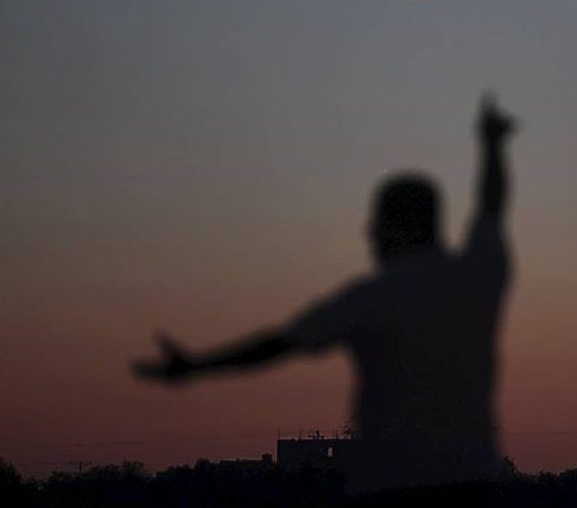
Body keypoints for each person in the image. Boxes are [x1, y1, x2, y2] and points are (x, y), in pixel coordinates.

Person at [134, 96, 516, 494]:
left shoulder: (373, 298)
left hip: (396, 483)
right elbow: (493, 207)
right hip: (475, 482)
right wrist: (492, 146)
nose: (369, 234)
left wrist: (194, 367)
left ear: (396, 227)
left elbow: (278, 344)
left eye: (377, 223)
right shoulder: (477, 277)